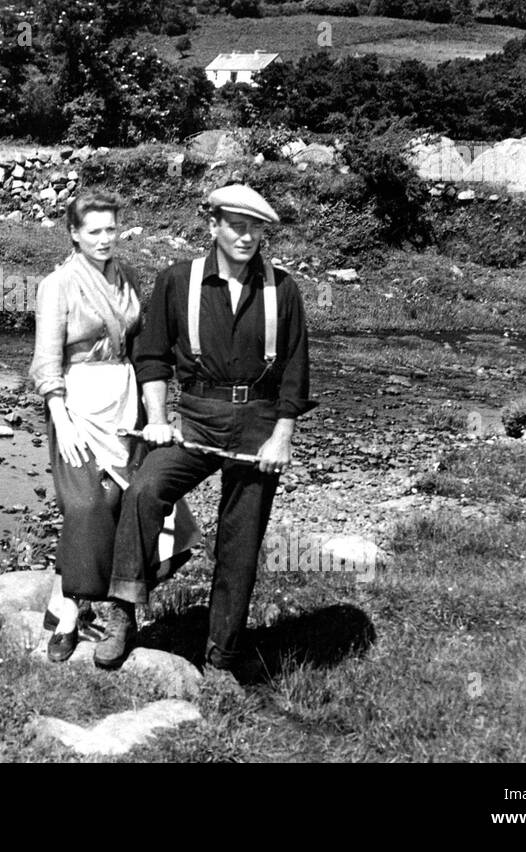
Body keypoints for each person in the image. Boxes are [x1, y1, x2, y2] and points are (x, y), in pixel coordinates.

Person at [100, 182, 318, 673]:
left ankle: (222, 659)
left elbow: (295, 374)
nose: (245, 237)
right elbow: (152, 357)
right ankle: (123, 612)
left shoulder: (283, 289)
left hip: (258, 427)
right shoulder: (179, 280)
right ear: (214, 226)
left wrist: (281, 437)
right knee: (144, 491)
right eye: (236, 226)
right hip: (195, 421)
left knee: (239, 546)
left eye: (255, 229)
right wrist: (156, 421)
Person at [28, 187, 143, 662]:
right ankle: (74, 611)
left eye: (110, 229)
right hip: (76, 403)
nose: (104, 239)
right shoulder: (58, 283)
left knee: (120, 501)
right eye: (93, 231)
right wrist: (62, 419)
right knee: (85, 505)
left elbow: (140, 343)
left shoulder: (127, 277)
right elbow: (45, 361)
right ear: (74, 234)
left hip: (123, 400)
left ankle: (65, 605)